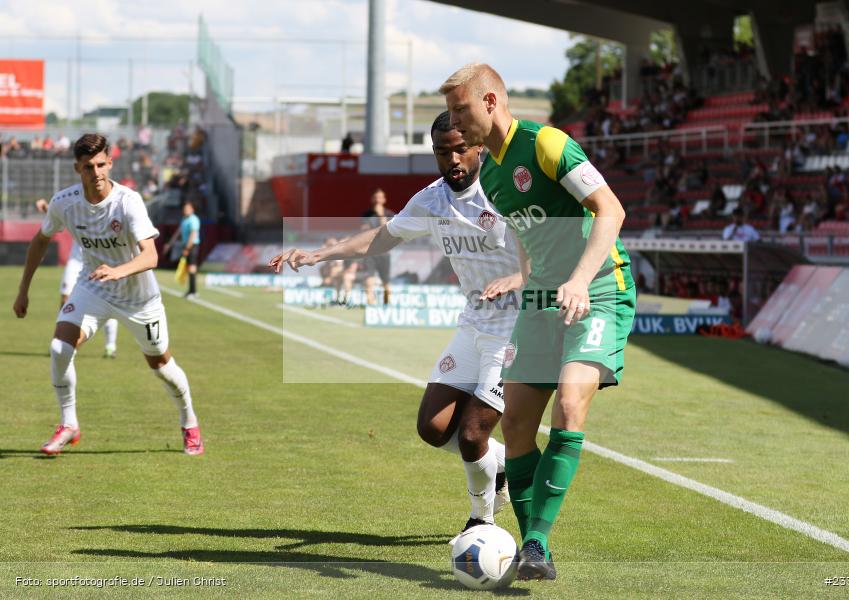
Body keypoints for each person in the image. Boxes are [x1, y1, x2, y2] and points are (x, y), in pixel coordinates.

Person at [269, 111, 524, 535]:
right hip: (473, 322)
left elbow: (547, 248)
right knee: (434, 428)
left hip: (517, 327)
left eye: (461, 149)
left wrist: (518, 277)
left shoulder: (506, 190)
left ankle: (481, 522)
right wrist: (319, 255)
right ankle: (500, 468)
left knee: (472, 432)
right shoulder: (432, 199)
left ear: (480, 145)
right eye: (443, 152)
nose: (453, 160)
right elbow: (381, 237)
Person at [441, 63, 636, 581]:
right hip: (544, 298)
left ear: (488, 103)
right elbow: (532, 236)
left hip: (597, 290)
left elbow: (610, 210)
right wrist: (522, 278)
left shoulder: (547, 144)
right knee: (518, 424)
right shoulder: (494, 173)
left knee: (569, 405)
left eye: (460, 110)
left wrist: (577, 280)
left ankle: (536, 542)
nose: (454, 123)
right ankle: (533, 550)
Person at [13, 133, 204, 456]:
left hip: (138, 297)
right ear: (78, 169)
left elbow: (151, 256)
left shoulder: (128, 202)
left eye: (101, 164)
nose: (96, 173)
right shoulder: (65, 202)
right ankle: (69, 423)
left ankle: (190, 422)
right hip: (94, 287)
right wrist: (23, 290)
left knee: (160, 364)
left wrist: (117, 270)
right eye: (88, 167)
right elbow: (40, 240)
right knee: (59, 347)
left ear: (110, 163)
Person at [35, 198, 119, 358]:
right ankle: (60, 341)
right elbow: (60, 215)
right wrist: (47, 207)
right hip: (76, 261)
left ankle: (110, 346)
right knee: (65, 300)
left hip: (98, 263)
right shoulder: (77, 207)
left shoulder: (109, 212)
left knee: (107, 302)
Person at [359, 189, 395, 304]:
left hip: (384, 252)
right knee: (369, 278)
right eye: (376, 197)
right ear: (372, 199)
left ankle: (387, 302)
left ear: (384, 199)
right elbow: (363, 231)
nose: (377, 200)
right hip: (370, 251)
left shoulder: (390, 214)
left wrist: (380, 216)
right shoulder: (366, 215)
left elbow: (387, 232)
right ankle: (371, 303)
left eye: (380, 197)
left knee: (385, 281)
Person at [163, 200, 201, 298]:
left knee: (192, 268)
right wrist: (169, 244)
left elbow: (193, 234)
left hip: (192, 246)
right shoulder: (184, 219)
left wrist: (187, 248)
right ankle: (191, 291)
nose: (185, 210)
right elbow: (178, 233)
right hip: (186, 245)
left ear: (192, 210)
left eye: (187, 209)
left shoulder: (194, 220)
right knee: (189, 268)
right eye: (184, 209)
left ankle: (193, 292)